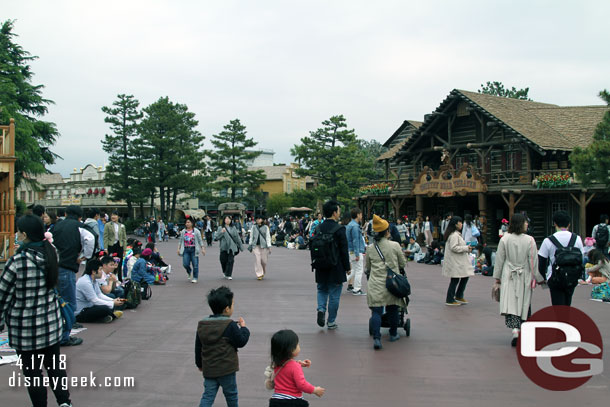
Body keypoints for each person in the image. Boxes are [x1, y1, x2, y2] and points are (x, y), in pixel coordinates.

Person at [0, 215, 73, 407]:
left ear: (24, 234)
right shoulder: (52, 252)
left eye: (18, 231)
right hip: (51, 324)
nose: (16, 234)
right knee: (55, 367)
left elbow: (3, 296)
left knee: (33, 372)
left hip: (26, 330)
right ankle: (65, 402)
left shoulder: (17, 262)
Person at [493, 214, 544, 346]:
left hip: (508, 274)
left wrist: (497, 278)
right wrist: (537, 277)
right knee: (524, 303)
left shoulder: (505, 239)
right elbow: (533, 261)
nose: (527, 225)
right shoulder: (530, 240)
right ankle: (524, 330)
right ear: (521, 224)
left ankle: (515, 330)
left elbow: (499, 260)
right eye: (526, 222)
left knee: (512, 303)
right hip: (524, 274)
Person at [195, 286, 250, 407]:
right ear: (227, 309)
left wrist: (199, 364)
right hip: (227, 369)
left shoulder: (202, 324)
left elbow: (198, 346)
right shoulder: (229, 325)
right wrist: (244, 328)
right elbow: (241, 341)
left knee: (208, 396)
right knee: (231, 395)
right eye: (233, 305)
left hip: (209, 368)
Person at [52, 205, 94, 346]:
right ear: (80, 216)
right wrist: (84, 256)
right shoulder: (80, 227)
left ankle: (53, 333)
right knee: (68, 303)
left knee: (54, 303)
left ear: (65, 213)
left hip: (53, 268)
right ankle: (64, 336)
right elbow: (91, 239)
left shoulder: (56, 226)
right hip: (67, 268)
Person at [365, 214, 407, 350]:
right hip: (392, 283)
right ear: (387, 232)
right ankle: (393, 333)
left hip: (376, 282)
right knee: (393, 308)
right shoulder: (395, 245)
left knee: (376, 311)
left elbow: (368, 268)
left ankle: (377, 338)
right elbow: (403, 263)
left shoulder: (370, 248)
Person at [312, 200, 350, 330]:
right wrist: (347, 267)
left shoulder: (318, 228)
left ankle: (321, 309)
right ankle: (331, 321)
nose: (339, 213)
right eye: (338, 211)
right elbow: (344, 250)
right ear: (334, 213)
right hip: (336, 266)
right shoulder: (340, 229)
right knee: (334, 293)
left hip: (320, 265)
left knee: (322, 289)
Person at [538, 211, 584, 306]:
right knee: (567, 304)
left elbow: (541, 262)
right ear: (569, 224)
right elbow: (581, 258)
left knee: (557, 306)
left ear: (554, 223)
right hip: (572, 276)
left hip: (555, 277)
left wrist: (542, 278)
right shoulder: (577, 238)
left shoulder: (548, 240)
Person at [268, 329, 325, 406]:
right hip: (292, 402)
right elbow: (301, 384)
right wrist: (314, 390)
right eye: (297, 344)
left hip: (276, 400)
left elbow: (287, 368)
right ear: (291, 350)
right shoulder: (295, 367)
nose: (299, 346)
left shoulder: (277, 363)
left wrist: (299, 364)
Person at [442, 216, 473, 306]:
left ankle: (458, 295)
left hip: (457, 261)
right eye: (460, 222)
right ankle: (450, 299)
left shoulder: (454, 234)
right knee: (455, 279)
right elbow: (454, 247)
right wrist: (466, 248)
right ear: (456, 224)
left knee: (464, 276)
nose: (462, 224)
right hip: (456, 262)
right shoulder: (454, 235)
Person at [178, 217, 206, 283]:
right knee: (185, 264)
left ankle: (195, 277)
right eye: (186, 222)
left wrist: (203, 248)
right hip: (186, 249)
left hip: (194, 249)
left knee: (195, 264)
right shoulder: (183, 231)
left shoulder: (196, 231)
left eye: (189, 222)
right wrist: (178, 248)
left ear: (192, 223)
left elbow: (200, 240)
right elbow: (180, 240)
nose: (187, 224)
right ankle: (189, 271)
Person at [346, 208, 366, 295]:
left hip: (351, 250)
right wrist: (357, 253)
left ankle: (338, 282)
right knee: (358, 270)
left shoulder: (350, 225)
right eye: (361, 214)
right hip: (356, 251)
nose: (361, 216)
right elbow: (356, 240)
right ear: (357, 215)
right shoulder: (355, 226)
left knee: (354, 270)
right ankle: (357, 289)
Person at [216, 216, 243, 280]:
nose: (227, 220)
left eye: (229, 219)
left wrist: (240, 246)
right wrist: (221, 232)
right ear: (224, 220)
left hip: (232, 246)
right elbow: (216, 237)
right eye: (226, 219)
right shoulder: (220, 228)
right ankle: (225, 271)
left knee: (230, 260)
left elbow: (237, 237)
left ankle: (229, 274)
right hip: (224, 247)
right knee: (223, 260)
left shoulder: (233, 228)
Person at [103, 211, 127, 278]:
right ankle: (109, 277)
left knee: (119, 262)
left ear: (118, 217)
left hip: (119, 245)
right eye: (112, 215)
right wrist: (105, 248)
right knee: (110, 261)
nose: (113, 216)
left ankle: (119, 278)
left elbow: (124, 238)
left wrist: (124, 249)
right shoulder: (107, 225)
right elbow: (105, 237)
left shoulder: (122, 226)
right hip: (111, 245)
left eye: (115, 215)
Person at [249, 214, 272, 280]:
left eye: (259, 219)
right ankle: (259, 274)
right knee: (257, 260)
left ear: (262, 220)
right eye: (257, 219)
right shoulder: (253, 227)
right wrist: (250, 244)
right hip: (255, 245)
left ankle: (262, 271)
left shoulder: (266, 227)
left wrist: (269, 246)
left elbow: (268, 237)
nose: (258, 220)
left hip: (264, 246)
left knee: (264, 261)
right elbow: (251, 236)